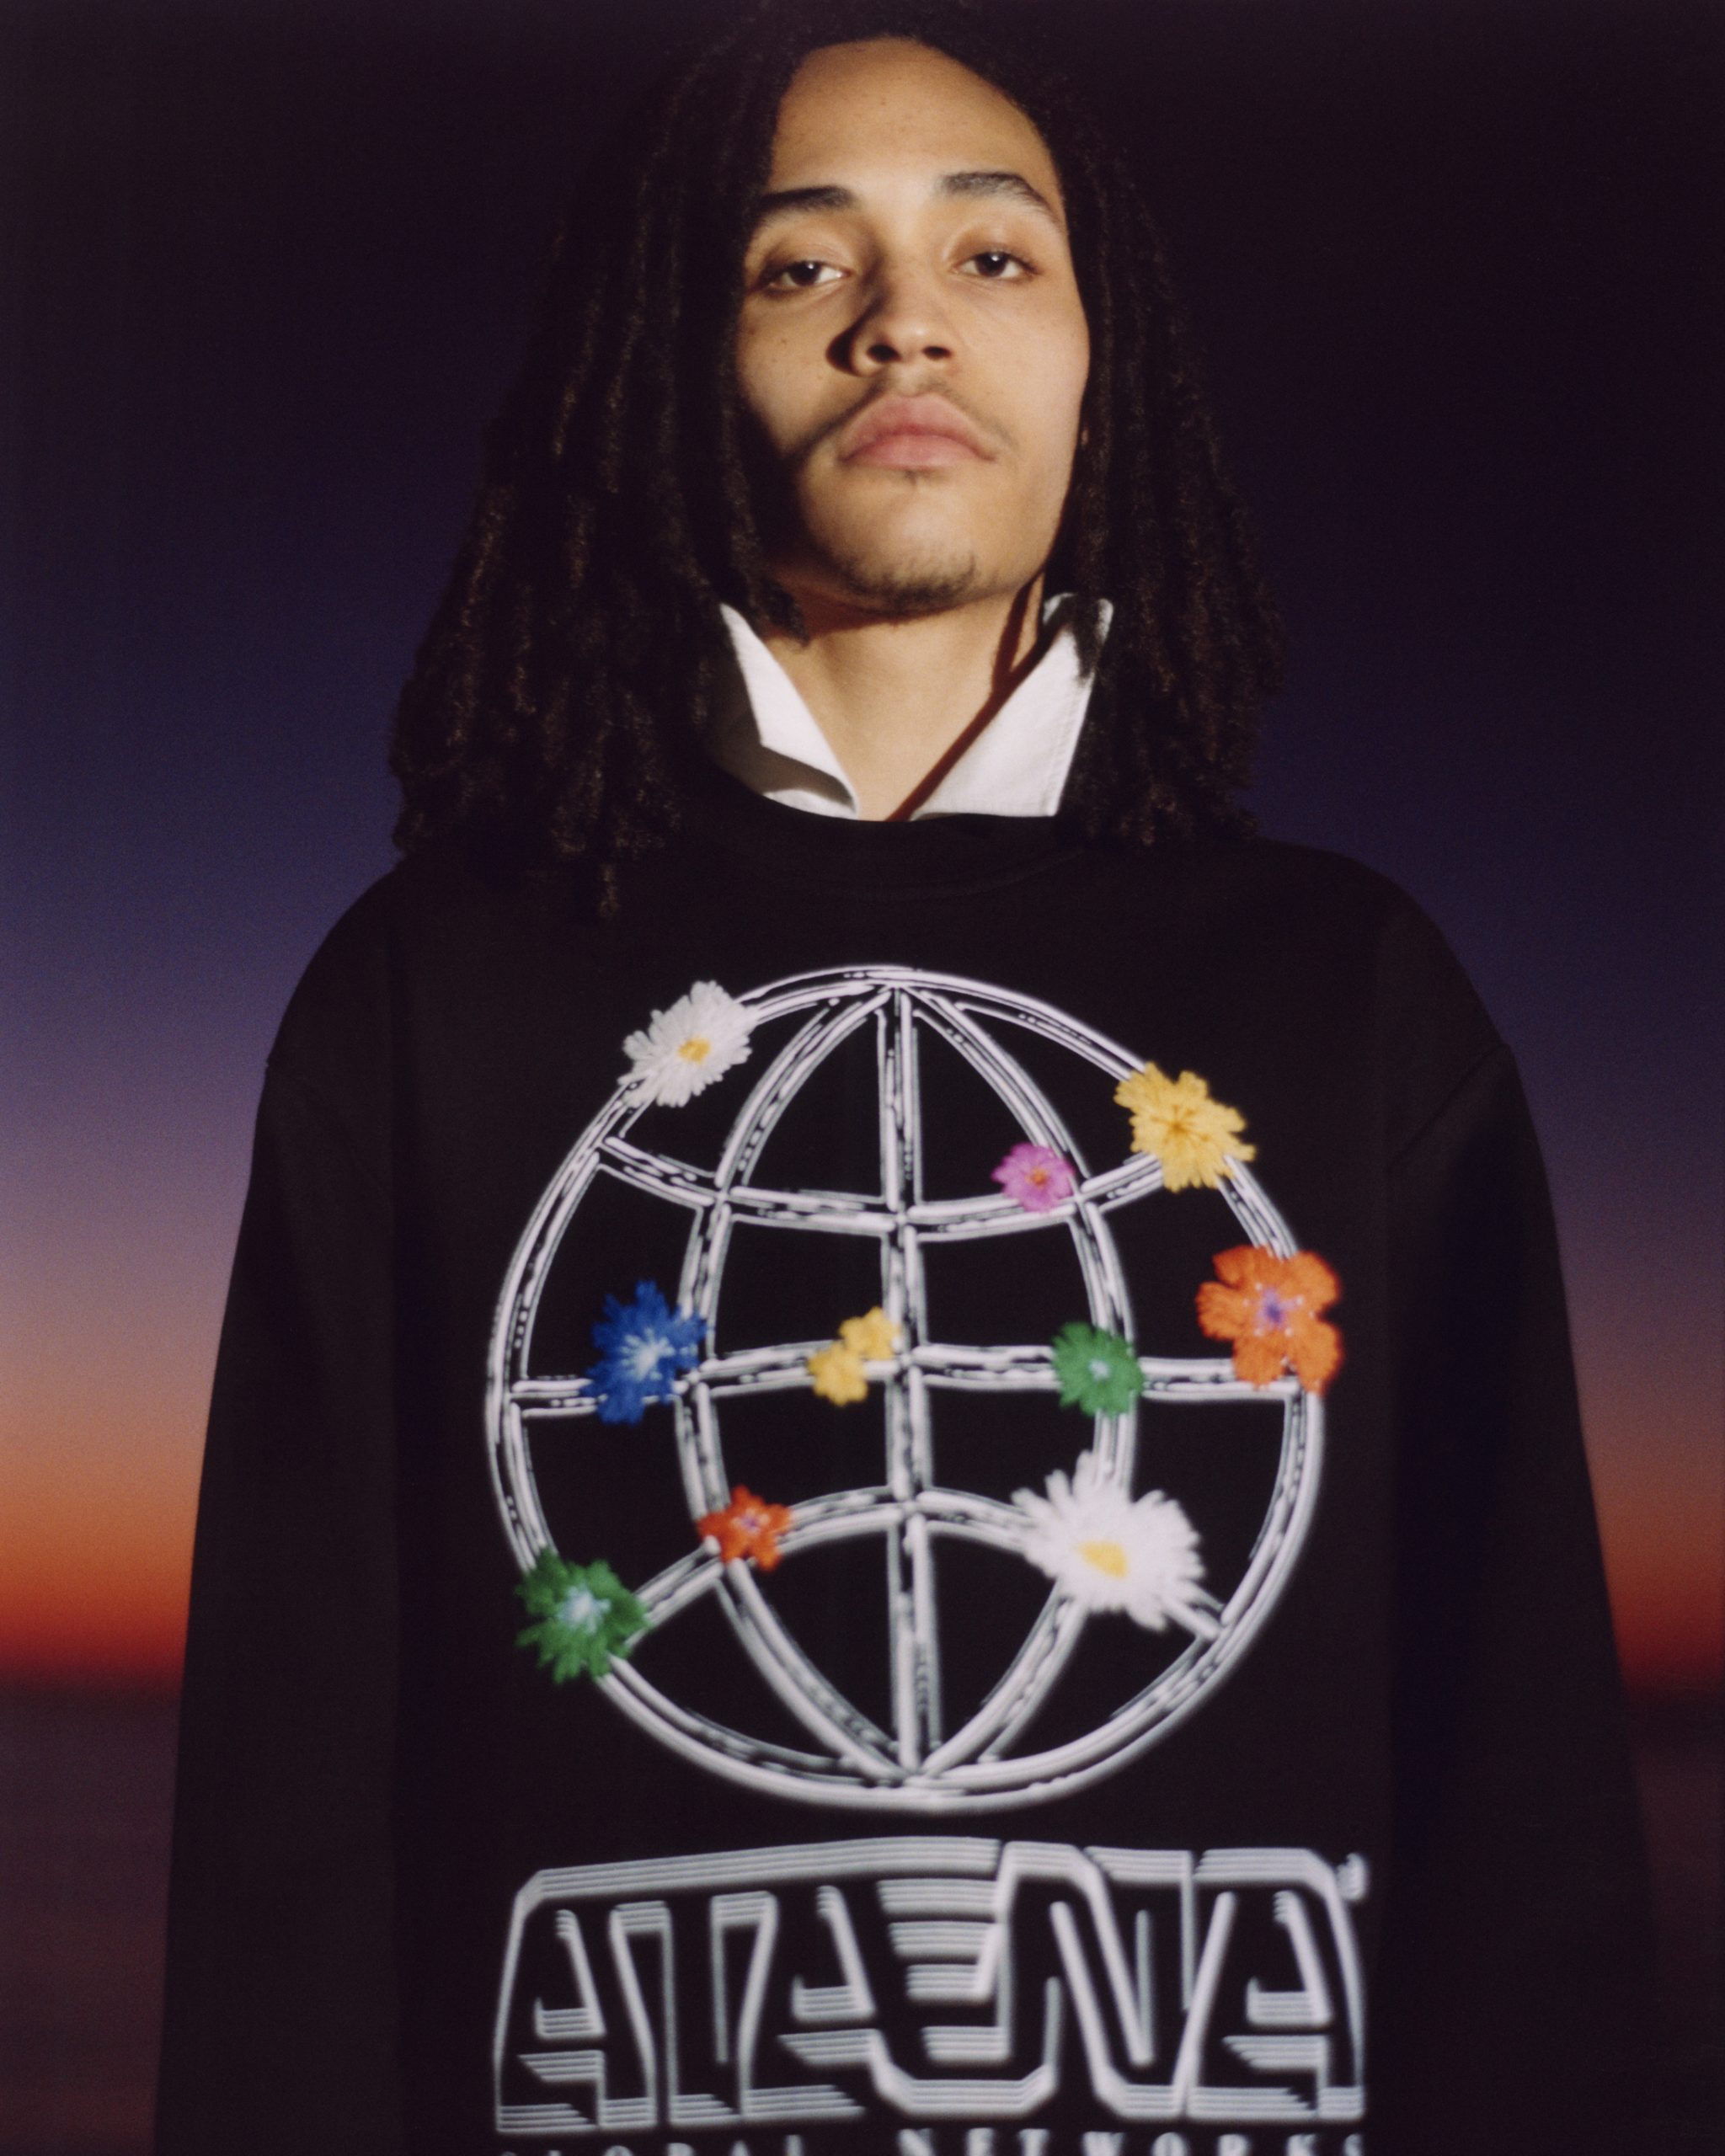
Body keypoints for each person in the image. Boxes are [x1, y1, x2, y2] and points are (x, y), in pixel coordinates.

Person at [155, 4, 1652, 2151]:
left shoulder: (1352, 988)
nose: (901, 323)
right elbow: (285, 1871)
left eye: (992, 252)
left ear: (1101, 362)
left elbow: (1529, 1848)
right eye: (798, 262)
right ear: (671, 362)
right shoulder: (433, 992)